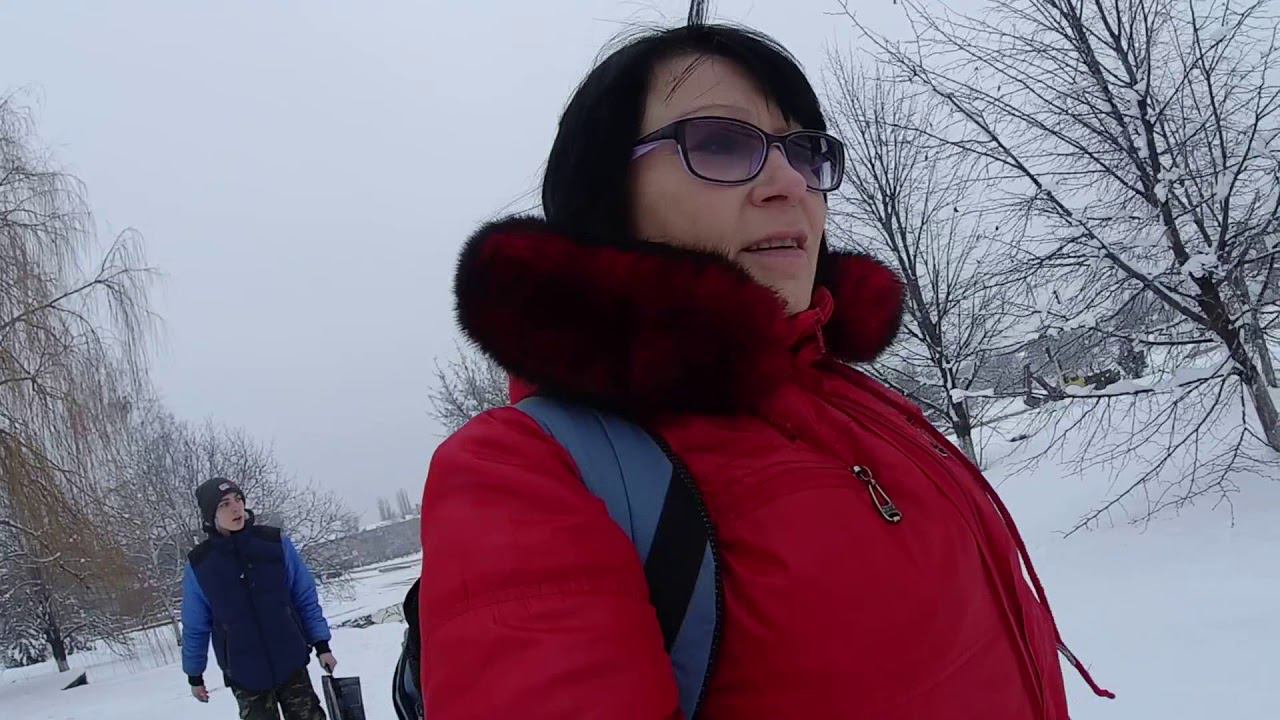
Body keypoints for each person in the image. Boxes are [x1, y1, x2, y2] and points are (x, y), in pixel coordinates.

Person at [418, 10, 1112, 720]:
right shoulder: (528, 472)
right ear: (607, 197)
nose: (790, 183)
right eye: (719, 144)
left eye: (805, 152)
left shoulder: (849, 398)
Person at [182, 477, 338, 720]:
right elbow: (195, 625)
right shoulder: (201, 565)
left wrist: (322, 645)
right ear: (211, 515)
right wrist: (195, 674)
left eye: (238, 499)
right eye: (224, 504)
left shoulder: (274, 544)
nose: (236, 508)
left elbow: (304, 596)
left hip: (291, 663)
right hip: (245, 675)